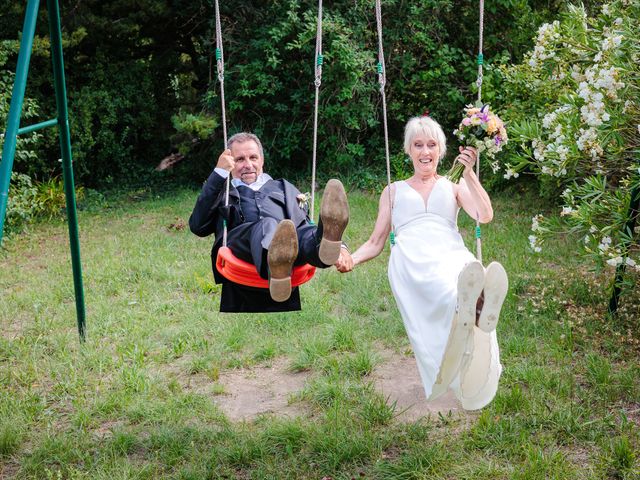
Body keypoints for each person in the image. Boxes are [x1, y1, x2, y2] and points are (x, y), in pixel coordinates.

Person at [335, 116, 508, 410]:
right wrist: (352, 258)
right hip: (412, 259)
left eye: (431, 145)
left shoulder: (452, 186)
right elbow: (376, 241)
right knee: (447, 288)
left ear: (440, 150)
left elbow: (485, 214)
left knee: (465, 271)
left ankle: (474, 305)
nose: (425, 152)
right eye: (418, 145)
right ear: (408, 150)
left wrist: (468, 173)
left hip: (449, 250)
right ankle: (471, 305)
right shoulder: (393, 191)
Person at [190, 132, 350, 313]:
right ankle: (275, 265)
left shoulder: (282, 187)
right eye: (240, 159)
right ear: (230, 163)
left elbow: (302, 223)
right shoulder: (223, 192)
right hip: (242, 244)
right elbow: (198, 226)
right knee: (269, 225)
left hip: (288, 243)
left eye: (253, 157)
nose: (248, 164)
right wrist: (218, 173)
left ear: (262, 161)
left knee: (302, 233)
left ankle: (323, 247)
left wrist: (341, 247)